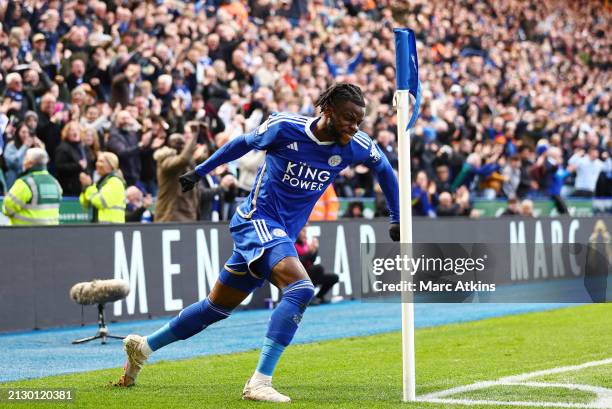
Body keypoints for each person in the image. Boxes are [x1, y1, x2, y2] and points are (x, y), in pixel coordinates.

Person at [114, 84, 400, 403]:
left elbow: (385, 170)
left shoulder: (355, 145)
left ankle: (143, 347)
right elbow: (241, 144)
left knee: (215, 308)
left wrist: (397, 217)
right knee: (302, 288)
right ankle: (259, 381)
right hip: (256, 220)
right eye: (349, 118)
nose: (354, 126)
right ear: (328, 111)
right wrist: (200, 171)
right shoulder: (284, 127)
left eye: (359, 121)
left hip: (281, 234)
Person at [2, 147, 62, 225]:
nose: (23, 162)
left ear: (30, 163)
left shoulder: (25, 183)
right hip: (51, 234)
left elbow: (7, 208)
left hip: (25, 234)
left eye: (25, 158)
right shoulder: (55, 183)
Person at [294, 227, 339, 305]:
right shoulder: (294, 245)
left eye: (305, 231)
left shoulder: (305, 244)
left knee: (334, 277)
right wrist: (310, 252)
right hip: (300, 275)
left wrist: (315, 250)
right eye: (303, 231)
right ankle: (309, 297)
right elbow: (299, 262)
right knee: (318, 268)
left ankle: (318, 297)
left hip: (310, 274)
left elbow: (312, 260)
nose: (304, 233)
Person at [79, 152, 126, 223]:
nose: (97, 164)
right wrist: (85, 187)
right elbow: (84, 204)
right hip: (98, 226)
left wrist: (88, 187)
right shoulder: (99, 182)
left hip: (111, 227)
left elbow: (100, 202)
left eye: (101, 161)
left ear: (111, 165)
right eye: (97, 161)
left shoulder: (115, 182)